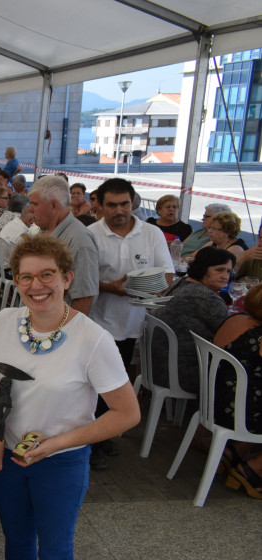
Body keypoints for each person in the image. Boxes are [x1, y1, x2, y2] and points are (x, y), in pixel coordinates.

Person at [0, 235, 139, 560]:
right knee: (16, 544)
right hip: (10, 460)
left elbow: (127, 413)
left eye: (47, 275)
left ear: (67, 278)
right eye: (25, 277)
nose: (36, 286)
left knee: (55, 554)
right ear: (15, 281)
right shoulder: (4, 322)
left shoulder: (92, 340)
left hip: (61, 464)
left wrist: (56, 445)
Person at [87, 177, 173, 469]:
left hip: (136, 324)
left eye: (124, 203)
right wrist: (114, 288)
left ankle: (102, 435)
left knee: (116, 384)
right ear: (100, 205)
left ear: (133, 201)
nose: (119, 210)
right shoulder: (91, 235)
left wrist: (139, 287)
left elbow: (167, 277)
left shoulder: (151, 234)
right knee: (97, 386)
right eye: (111, 205)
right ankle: (92, 444)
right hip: (99, 323)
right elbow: (82, 281)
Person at [153, 246, 233, 394]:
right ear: (203, 269)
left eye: (228, 271)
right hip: (184, 374)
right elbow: (232, 335)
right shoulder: (205, 297)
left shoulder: (181, 283)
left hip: (158, 366)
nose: (225, 276)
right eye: (219, 270)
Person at [213, 284, 262, 499]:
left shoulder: (235, 320)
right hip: (240, 413)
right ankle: (253, 469)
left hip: (217, 403)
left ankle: (234, 451)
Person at [28, 175, 99, 315]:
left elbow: (84, 298)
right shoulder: (44, 231)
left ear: (54, 205)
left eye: (35, 204)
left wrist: (67, 334)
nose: (30, 209)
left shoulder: (80, 240)